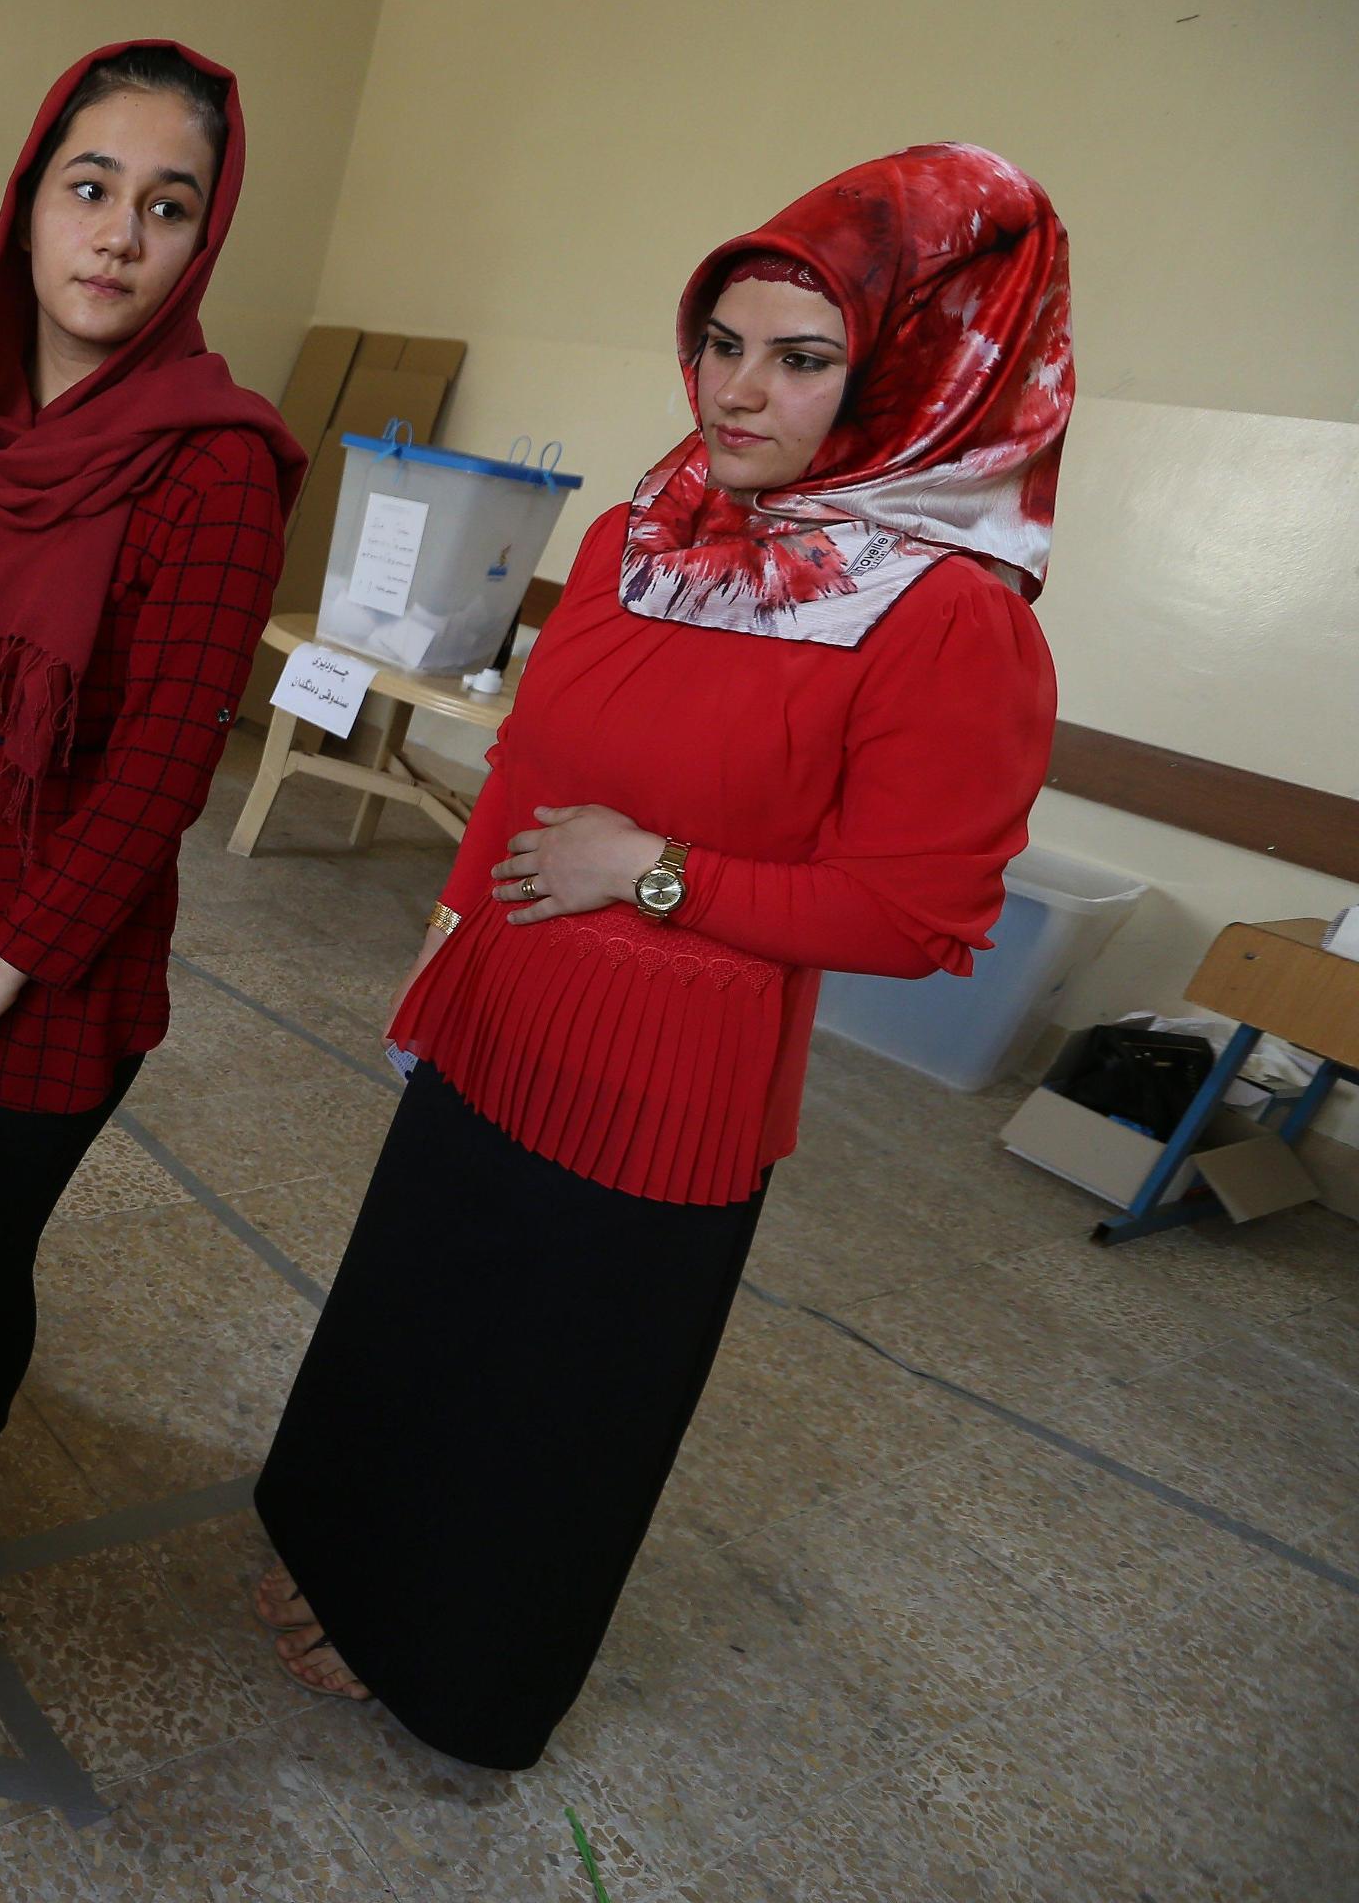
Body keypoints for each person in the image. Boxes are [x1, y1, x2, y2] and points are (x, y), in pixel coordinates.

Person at [249, 144, 1071, 1770]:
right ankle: (342, 1563)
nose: (737, 388)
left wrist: (659, 873)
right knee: (413, 1320)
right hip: (500, 1013)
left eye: (801, 355)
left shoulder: (945, 613)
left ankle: (450, 1657)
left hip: (660, 1084)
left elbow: (921, 918)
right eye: (722, 339)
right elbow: (531, 767)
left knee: (549, 1397)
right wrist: (447, 951)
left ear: (899, 374)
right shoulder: (652, 522)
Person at [0, 42, 307, 1621]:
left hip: (58, 966)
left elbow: (162, 766)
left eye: (168, 206)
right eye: (91, 190)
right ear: (30, 207)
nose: (118, 237)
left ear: (202, 240)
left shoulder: (216, 471)